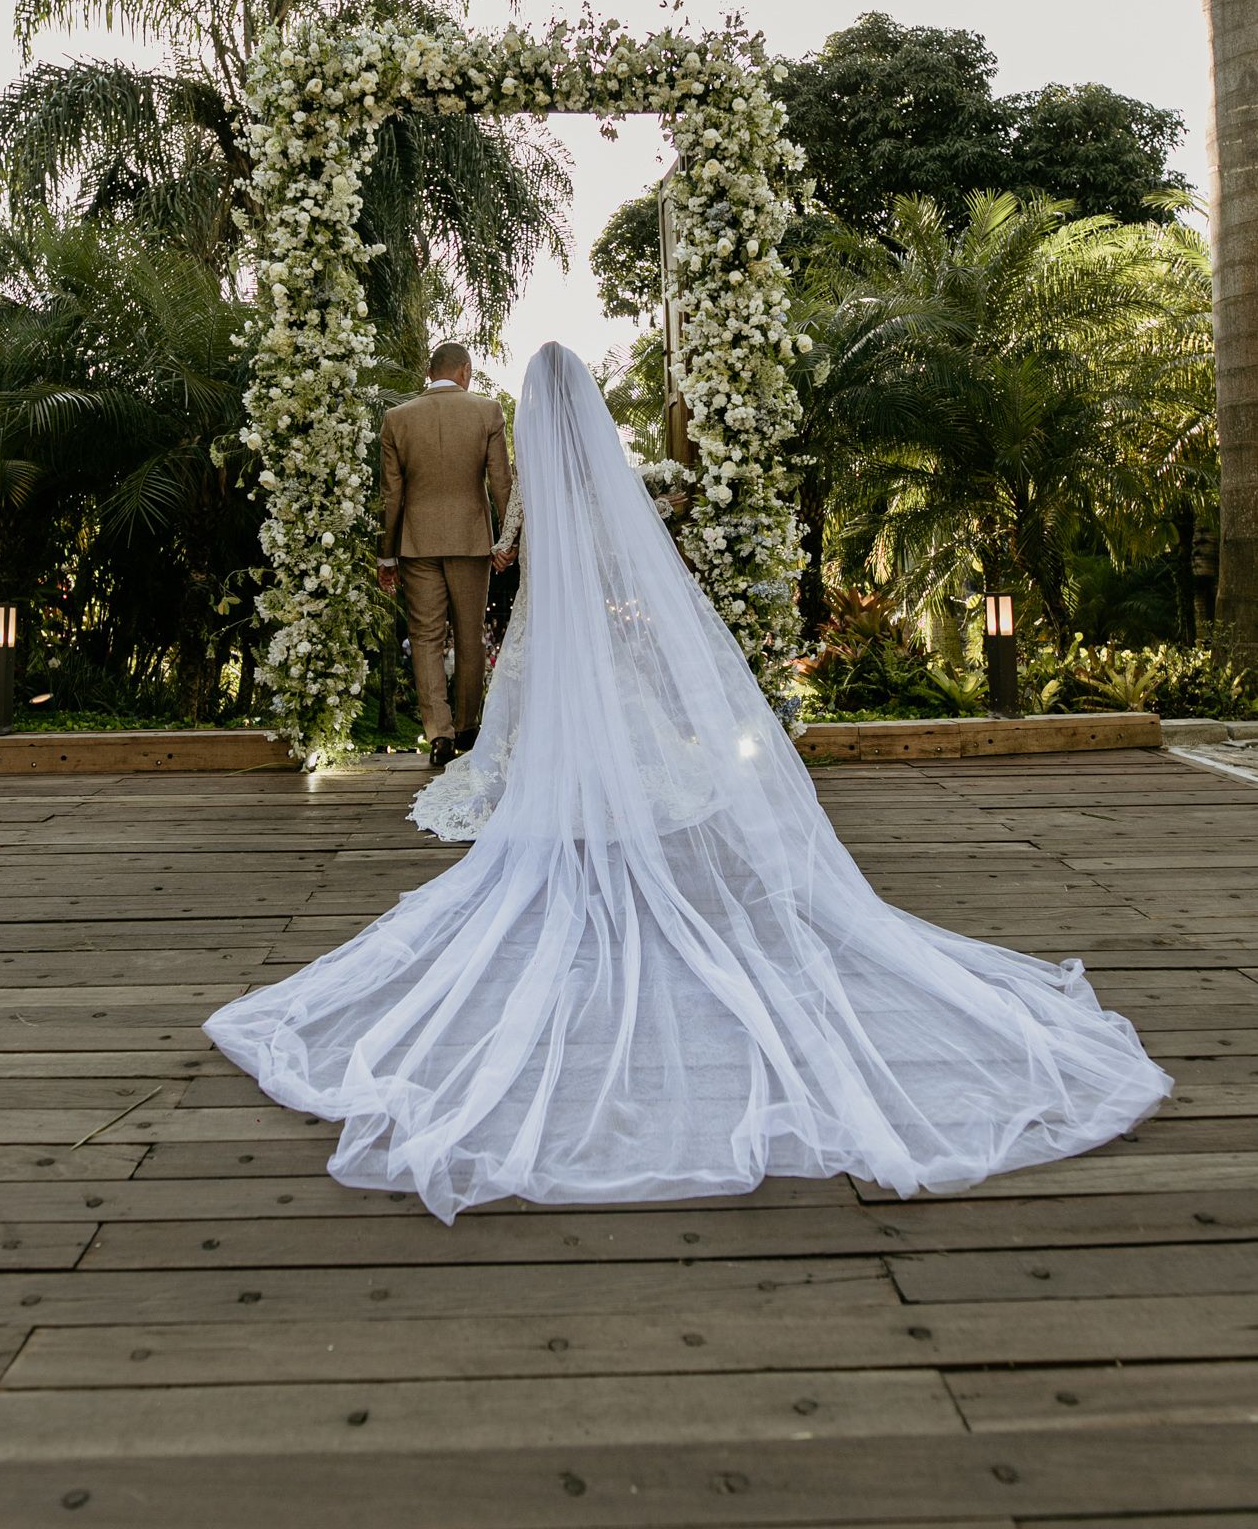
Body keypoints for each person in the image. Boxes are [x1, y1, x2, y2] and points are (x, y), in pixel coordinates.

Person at [206, 342, 1171, 1224]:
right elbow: (524, 501)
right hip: (503, 551)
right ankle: (530, 743)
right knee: (526, 662)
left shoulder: (428, 427)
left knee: (458, 650)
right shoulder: (534, 445)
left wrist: (451, 541)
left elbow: (470, 502)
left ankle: (446, 734)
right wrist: (504, 535)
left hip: (445, 547)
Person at [376, 341, 512, 768]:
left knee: (426, 638)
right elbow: (500, 484)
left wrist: (386, 556)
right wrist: (509, 540)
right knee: (470, 634)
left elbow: (390, 496)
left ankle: (438, 733)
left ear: (429, 371)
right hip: (472, 541)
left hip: (416, 544)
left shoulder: (397, 419)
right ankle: (469, 726)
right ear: (465, 371)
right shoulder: (487, 411)